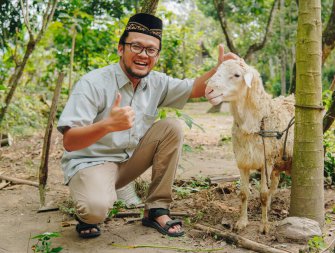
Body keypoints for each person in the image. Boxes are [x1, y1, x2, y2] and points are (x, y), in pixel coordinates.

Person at [57, 13, 238, 239]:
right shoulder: (93, 83)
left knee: (172, 127)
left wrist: (219, 69)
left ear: (157, 55)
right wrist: (107, 125)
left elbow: (195, 89)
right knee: (95, 210)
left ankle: (156, 209)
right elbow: (70, 141)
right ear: (121, 49)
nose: (143, 55)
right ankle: (87, 214)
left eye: (151, 50)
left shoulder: (156, 82)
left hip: (128, 162)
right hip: (92, 162)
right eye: (136, 46)